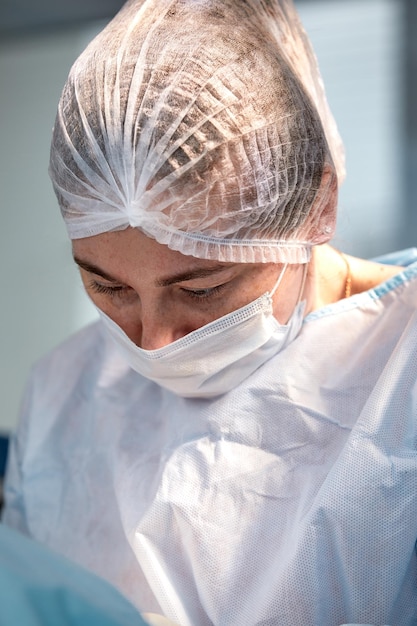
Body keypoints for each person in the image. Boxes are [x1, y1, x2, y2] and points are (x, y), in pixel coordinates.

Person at [3, 0, 417, 624]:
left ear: (317, 206)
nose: (154, 341)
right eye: (107, 286)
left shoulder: (401, 369)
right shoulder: (67, 392)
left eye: (201, 289)